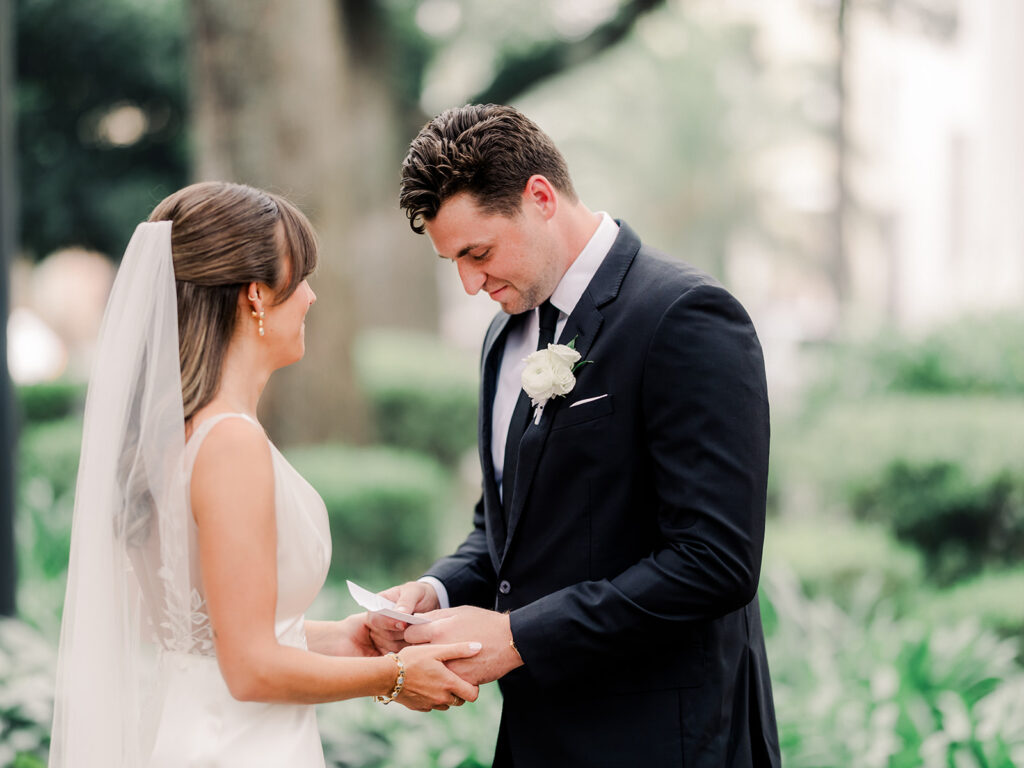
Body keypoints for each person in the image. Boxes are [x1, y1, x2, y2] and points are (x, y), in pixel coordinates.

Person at [368, 105, 781, 767]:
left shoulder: (686, 316)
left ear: (540, 198)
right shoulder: (504, 334)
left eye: (477, 253)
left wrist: (518, 637)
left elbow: (714, 561)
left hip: (667, 741)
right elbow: (506, 526)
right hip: (538, 738)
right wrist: (436, 591)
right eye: (453, 261)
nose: (470, 283)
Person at [48, 181, 481, 768]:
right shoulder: (229, 442)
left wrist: (339, 639)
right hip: (240, 747)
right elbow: (250, 669)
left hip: (200, 733)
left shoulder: (181, 435)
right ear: (255, 295)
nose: (309, 297)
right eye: (299, 277)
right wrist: (397, 675)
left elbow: (216, 635)